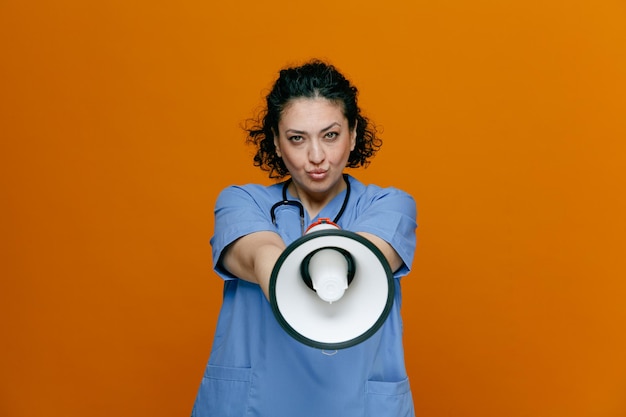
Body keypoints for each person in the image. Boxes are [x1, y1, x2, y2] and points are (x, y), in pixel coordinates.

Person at [191, 59, 418, 417]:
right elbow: (260, 255)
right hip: (255, 405)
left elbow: (372, 257)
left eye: (330, 135)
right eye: (297, 138)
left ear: (353, 134)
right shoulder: (241, 201)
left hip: (357, 404)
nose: (316, 157)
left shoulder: (390, 205)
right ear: (277, 144)